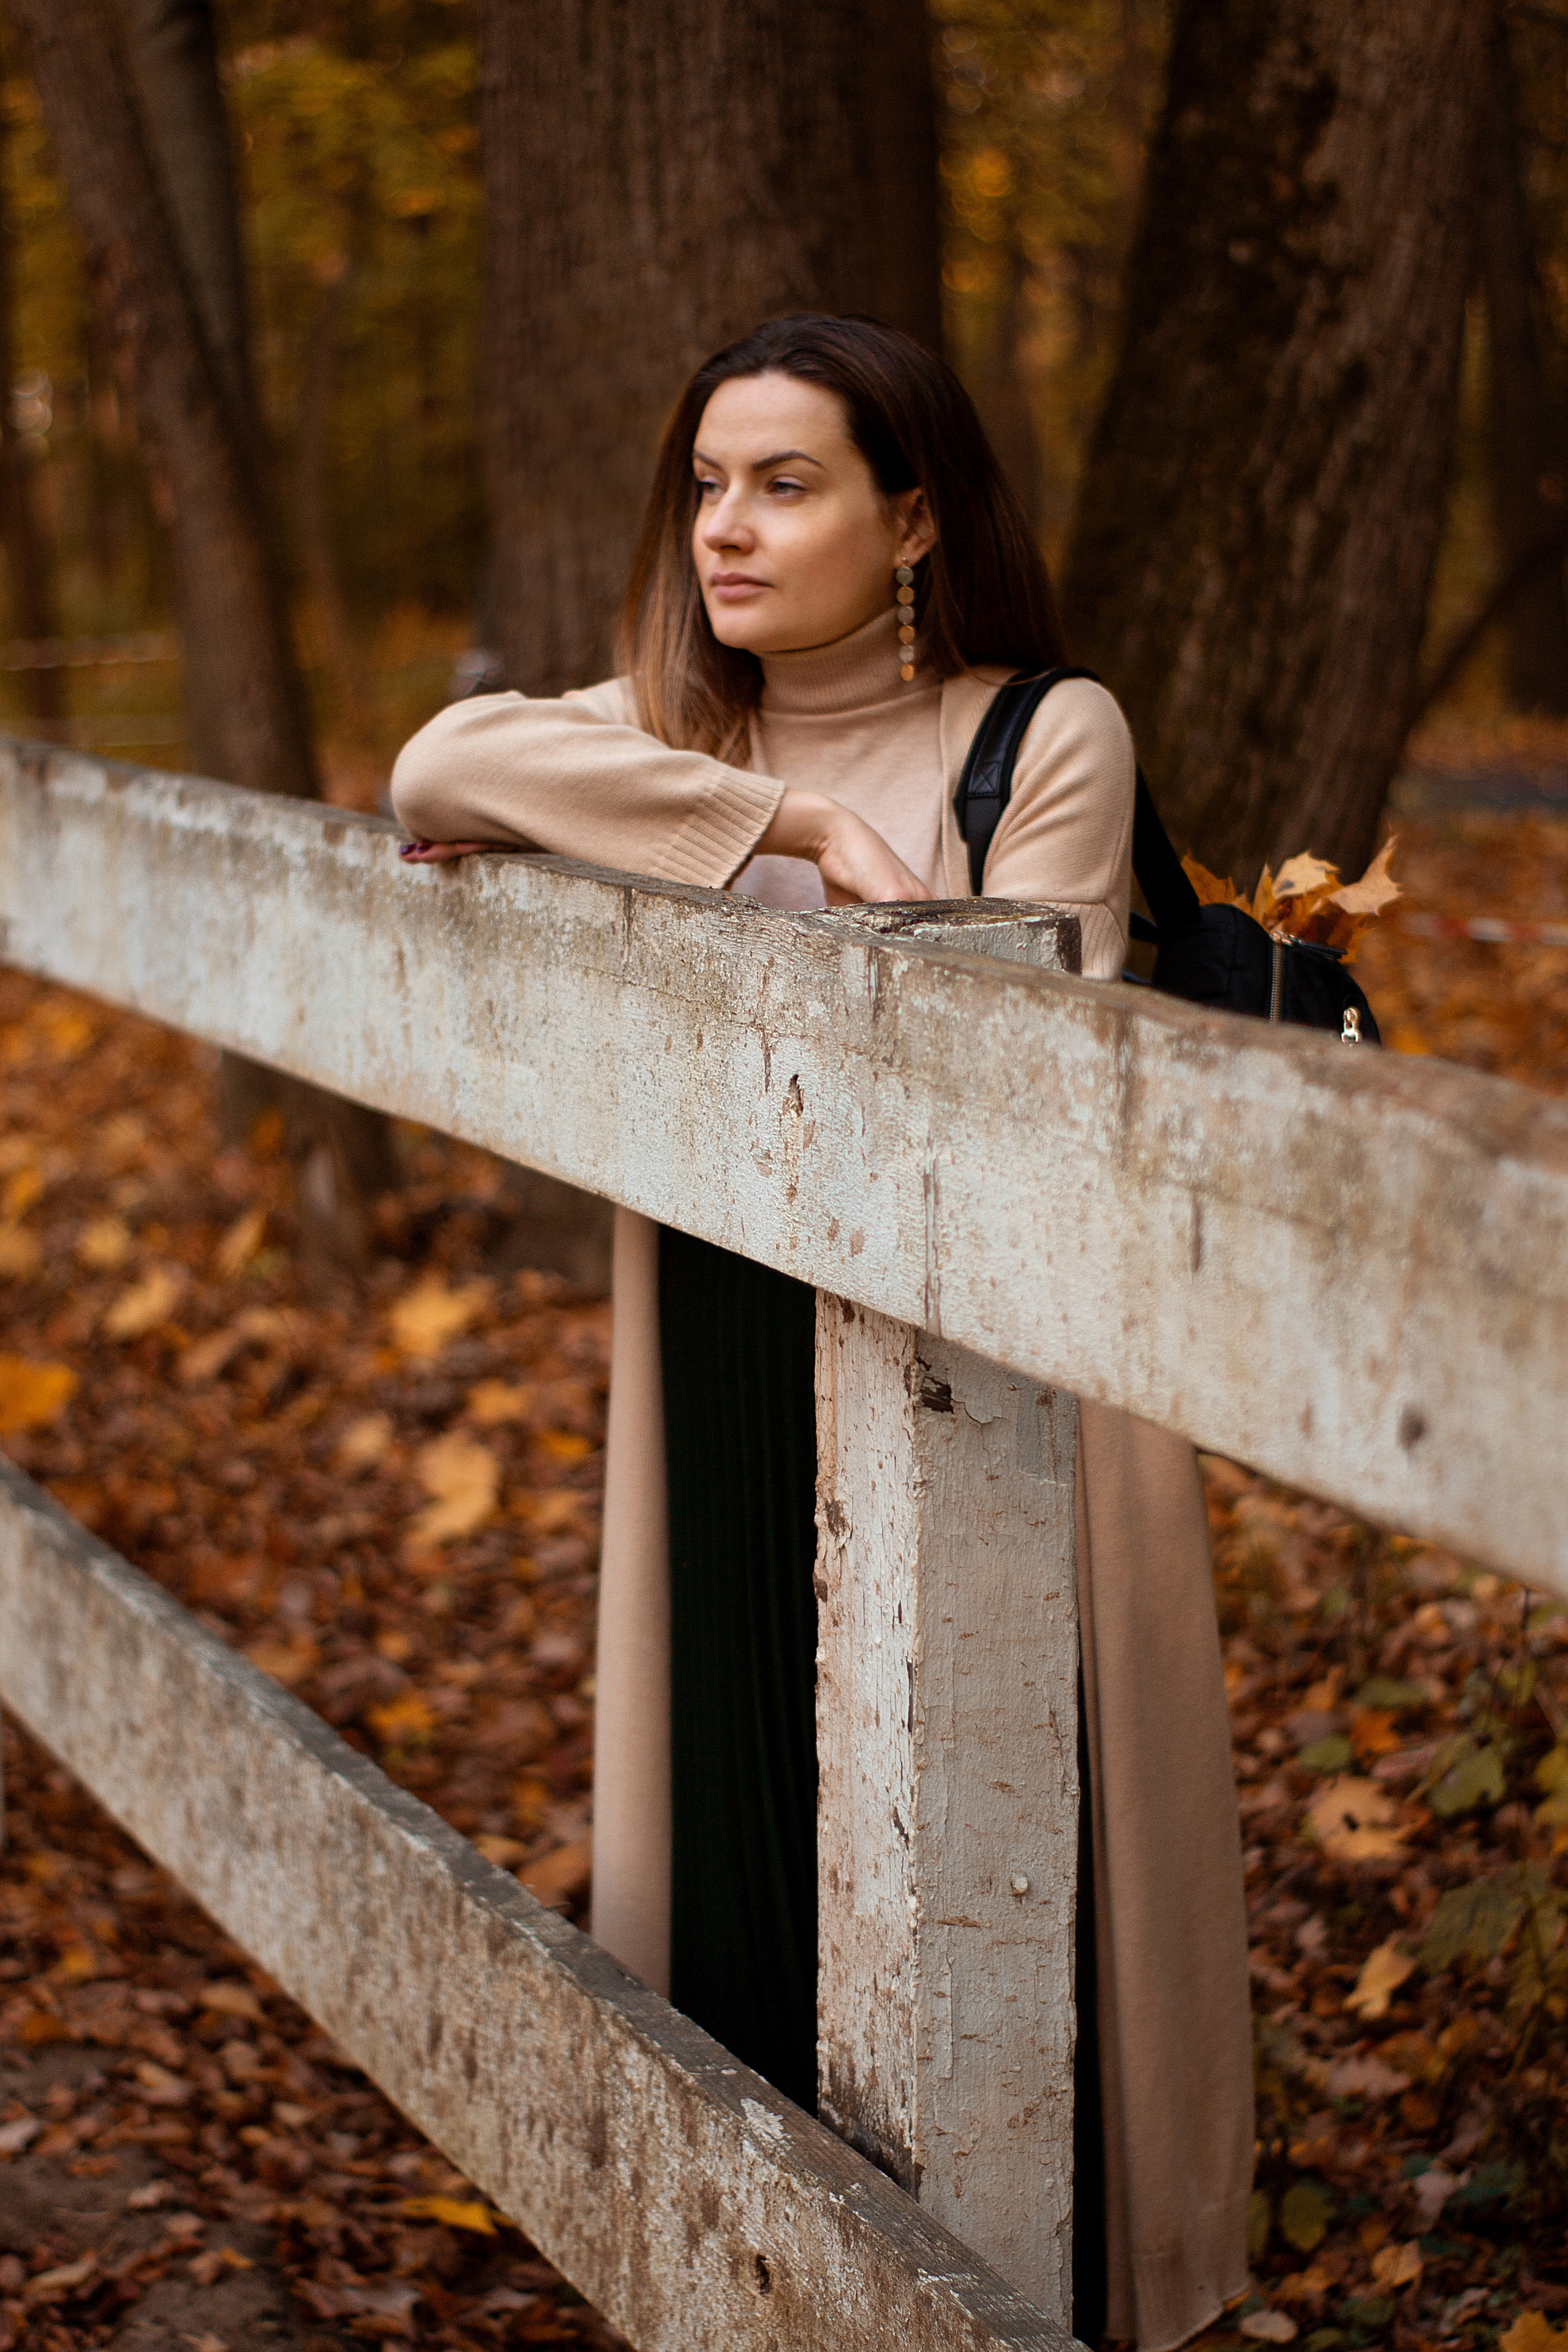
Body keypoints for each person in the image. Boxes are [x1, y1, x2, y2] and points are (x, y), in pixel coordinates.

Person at [391, 314, 1253, 2352]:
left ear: (916, 514)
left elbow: (1003, 1091)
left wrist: (801, 858)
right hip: (727, 1348)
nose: (728, 528)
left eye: (787, 483)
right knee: (751, 1838)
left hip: (998, 1380)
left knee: (1023, 1880)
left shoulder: (1045, 736)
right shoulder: (690, 735)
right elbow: (439, 763)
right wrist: (786, 832)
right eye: (707, 483)